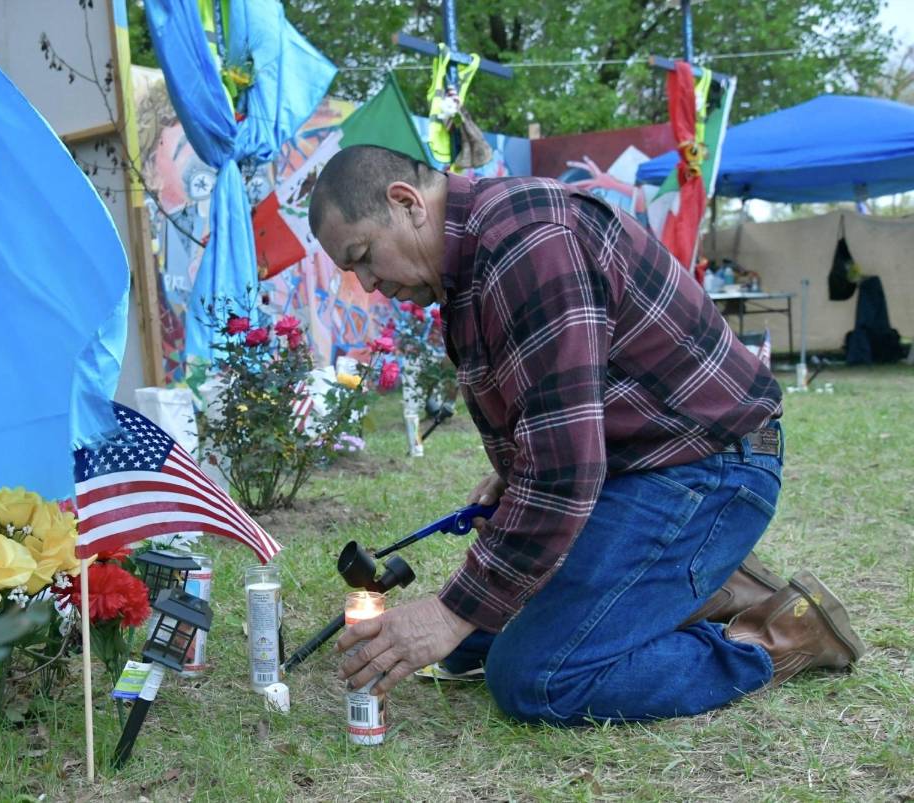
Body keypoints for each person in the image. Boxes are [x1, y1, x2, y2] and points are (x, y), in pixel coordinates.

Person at [307, 144, 865, 724]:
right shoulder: (474, 259)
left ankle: (783, 636)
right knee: (478, 638)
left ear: (406, 203)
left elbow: (564, 473)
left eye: (364, 256)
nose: (369, 284)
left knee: (536, 678)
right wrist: (509, 479)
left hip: (713, 467)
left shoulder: (527, 243)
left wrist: (448, 612)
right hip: (643, 467)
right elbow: (562, 411)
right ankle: (694, 586)